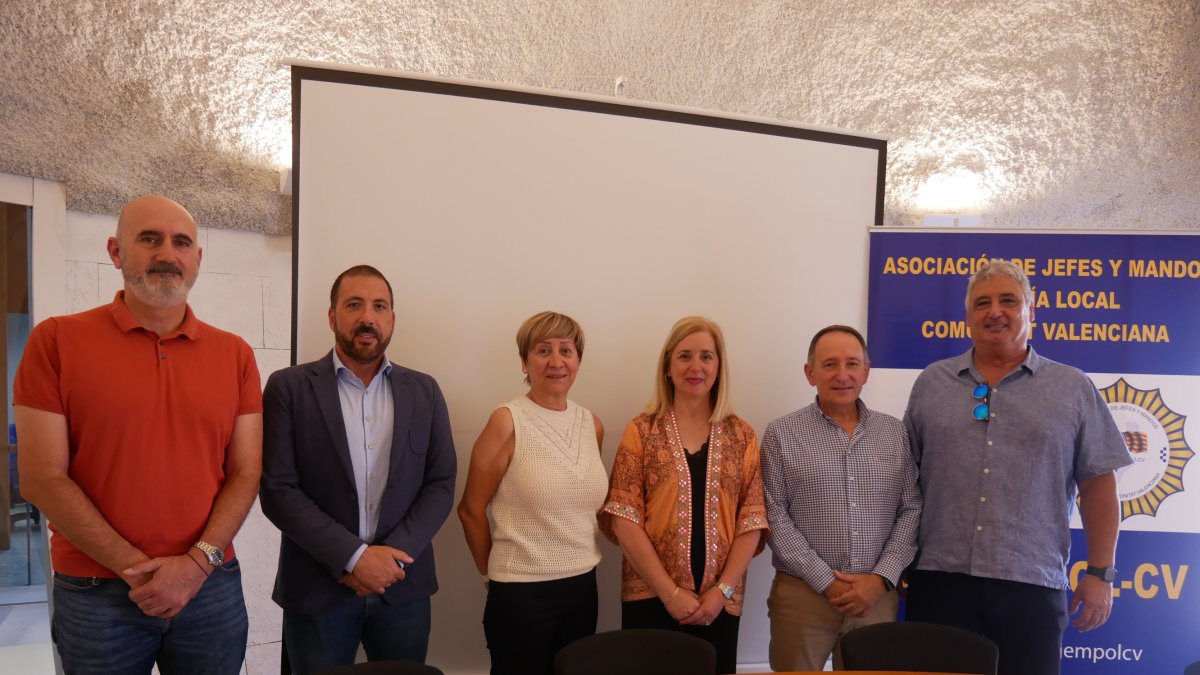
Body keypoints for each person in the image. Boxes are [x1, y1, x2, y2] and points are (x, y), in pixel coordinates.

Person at [14, 195, 262, 674]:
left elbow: (247, 471)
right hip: (95, 593)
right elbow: (42, 477)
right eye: (149, 239)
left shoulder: (235, 355)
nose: (167, 254)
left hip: (210, 586)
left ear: (197, 259)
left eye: (181, 242)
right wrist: (142, 571)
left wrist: (195, 566)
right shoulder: (56, 341)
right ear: (115, 251)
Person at [903, 259, 1132, 675]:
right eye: (982, 303)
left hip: (1032, 583)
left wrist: (1101, 573)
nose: (995, 311)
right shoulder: (931, 383)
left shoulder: (1073, 388)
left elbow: (1099, 486)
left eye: (1008, 300)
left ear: (1032, 309)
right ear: (968, 316)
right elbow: (904, 483)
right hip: (938, 580)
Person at [259, 265, 457, 673]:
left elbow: (440, 483)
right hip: (317, 590)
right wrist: (353, 558)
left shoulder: (425, 391)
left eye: (379, 306)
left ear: (392, 320)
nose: (368, 317)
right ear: (332, 316)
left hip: (402, 589)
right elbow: (278, 490)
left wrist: (388, 563)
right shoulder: (289, 387)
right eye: (354, 305)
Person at [600, 316, 767, 675]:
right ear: (667, 367)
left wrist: (720, 592)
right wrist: (669, 594)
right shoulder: (641, 431)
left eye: (707, 357)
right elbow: (624, 519)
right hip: (650, 597)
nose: (696, 367)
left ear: (719, 367)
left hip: (718, 606)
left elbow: (751, 523)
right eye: (685, 356)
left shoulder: (742, 436)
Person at [760, 325, 922, 671]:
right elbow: (773, 514)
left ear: (866, 371)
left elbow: (911, 508)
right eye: (830, 364)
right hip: (803, 598)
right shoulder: (782, 433)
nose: (842, 375)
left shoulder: (893, 432)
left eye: (852, 364)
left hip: (876, 599)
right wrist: (826, 580)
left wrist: (881, 578)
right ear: (810, 373)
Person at [457, 311, 607, 675]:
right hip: (521, 592)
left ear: (579, 362)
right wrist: (490, 576)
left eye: (566, 351)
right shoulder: (507, 420)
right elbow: (470, 509)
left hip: (583, 587)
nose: (556, 361)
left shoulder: (593, 425)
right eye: (543, 350)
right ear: (524, 362)